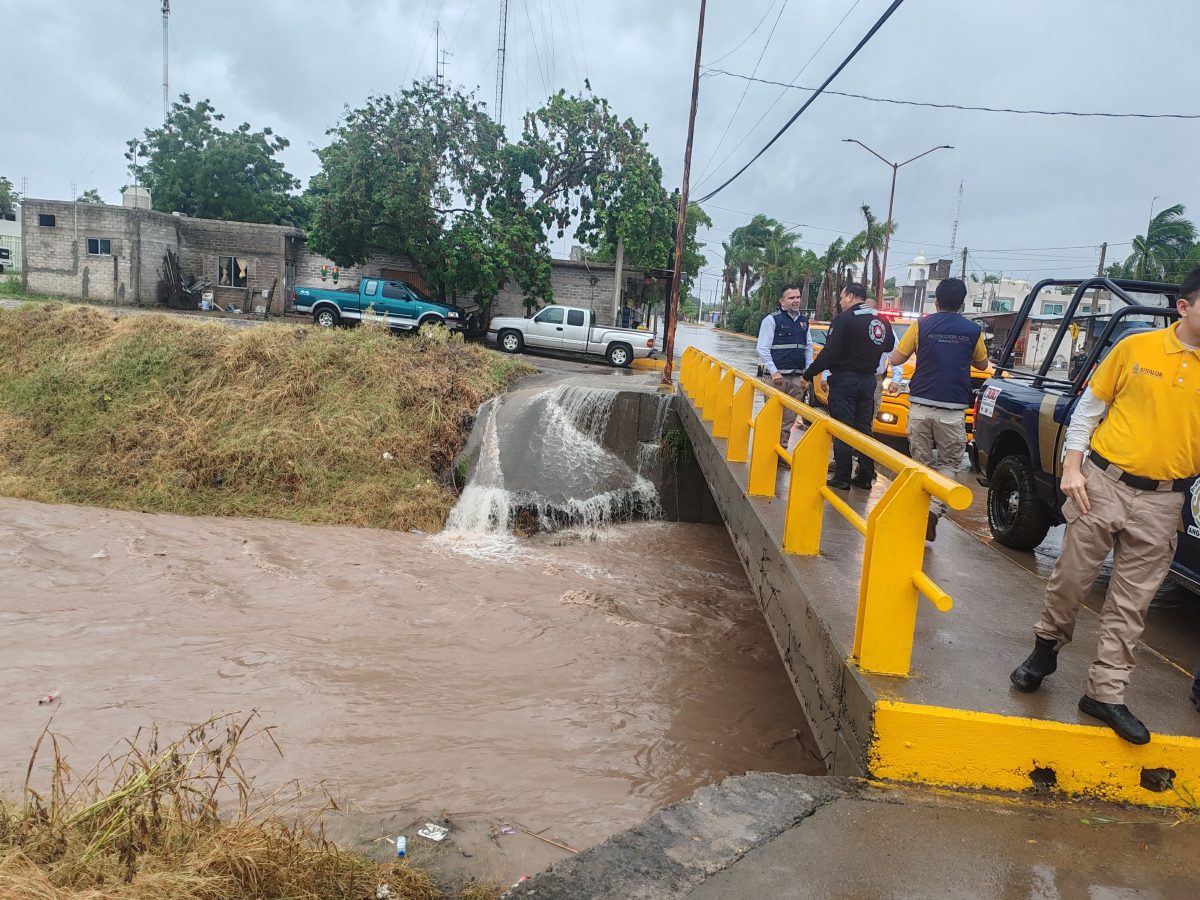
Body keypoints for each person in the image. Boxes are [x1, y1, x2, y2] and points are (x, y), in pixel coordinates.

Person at [1010, 266, 1200, 744]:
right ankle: (1046, 647)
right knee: (1071, 579)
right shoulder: (1135, 349)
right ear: (1184, 306)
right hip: (1103, 482)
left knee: (1131, 603)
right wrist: (1072, 468)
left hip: (1164, 500)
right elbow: (1088, 412)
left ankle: (1105, 693)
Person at [888, 278, 989, 541]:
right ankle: (933, 512)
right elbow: (982, 365)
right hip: (954, 409)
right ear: (963, 302)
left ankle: (918, 514)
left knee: (920, 463)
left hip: (921, 405)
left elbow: (897, 358)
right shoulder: (972, 330)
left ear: (936, 301)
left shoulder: (921, 325)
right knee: (949, 464)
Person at [804, 283, 895, 490]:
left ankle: (842, 477)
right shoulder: (881, 320)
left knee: (843, 429)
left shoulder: (844, 320)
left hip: (845, 381)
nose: (840, 302)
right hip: (869, 381)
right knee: (864, 430)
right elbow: (888, 346)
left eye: (843, 297)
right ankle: (865, 476)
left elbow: (829, 353)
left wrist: (809, 374)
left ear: (852, 296)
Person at [756, 284, 813, 446]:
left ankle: (781, 450)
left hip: (797, 379)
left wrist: (806, 374)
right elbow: (762, 348)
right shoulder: (772, 320)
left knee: (789, 419)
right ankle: (767, 448)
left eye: (798, 297)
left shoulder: (804, 322)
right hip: (777, 379)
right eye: (791, 298)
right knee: (773, 417)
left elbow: (808, 347)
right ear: (782, 301)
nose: (796, 300)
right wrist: (774, 372)